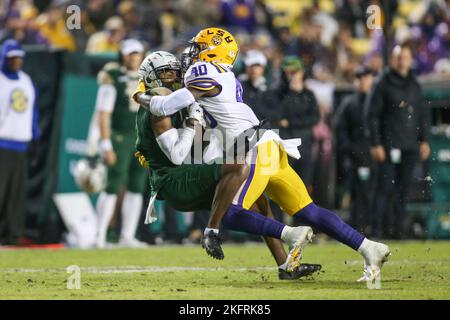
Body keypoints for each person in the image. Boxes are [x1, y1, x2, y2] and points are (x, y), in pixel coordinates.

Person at [134, 27, 391, 282]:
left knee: (232, 214)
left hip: (254, 145)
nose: (194, 53)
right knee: (308, 210)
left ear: (213, 52)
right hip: (267, 144)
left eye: (200, 47)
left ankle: (291, 234)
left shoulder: (204, 70)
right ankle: (368, 247)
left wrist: (140, 96)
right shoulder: (226, 75)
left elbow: (165, 105)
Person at [133, 51, 321, 280]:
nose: (173, 77)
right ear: (151, 76)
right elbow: (176, 154)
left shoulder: (167, 98)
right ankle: (214, 232)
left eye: (175, 72)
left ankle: (286, 266)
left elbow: (196, 149)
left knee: (257, 197)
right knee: (238, 168)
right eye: (166, 73)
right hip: (173, 180)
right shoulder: (158, 101)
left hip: (184, 171)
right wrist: (193, 123)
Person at [366, 43, 431, 239]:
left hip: (410, 144)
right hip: (388, 144)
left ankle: (397, 230)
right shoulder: (383, 82)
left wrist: (424, 140)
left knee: (403, 189)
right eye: (399, 57)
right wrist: (375, 143)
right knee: (385, 188)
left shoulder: (414, 83)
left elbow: (421, 114)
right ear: (393, 59)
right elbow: (372, 115)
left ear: (410, 59)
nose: (402, 61)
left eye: (405, 57)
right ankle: (377, 229)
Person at [94, 39, 147, 248]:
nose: (133, 57)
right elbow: (103, 114)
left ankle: (128, 235)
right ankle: (99, 234)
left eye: (137, 53)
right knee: (112, 186)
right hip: (120, 137)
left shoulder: (149, 79)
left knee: (136, 187)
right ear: (122, 55)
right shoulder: (113, 78)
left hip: (141, 139)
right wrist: (105, 143)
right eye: (129, 53)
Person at [0, 39, 39, 245]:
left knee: (16, 194)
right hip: (2, 144)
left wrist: (35, 133)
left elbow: (32, 110)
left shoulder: (25, 80)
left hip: (21, 144)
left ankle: (12, 234)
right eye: (12, 58)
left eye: (19, 58)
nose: (16, 61)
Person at [335, 66, 375, 234]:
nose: (363, 81)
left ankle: (376, 226)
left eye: (366, 77)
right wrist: (350, 150)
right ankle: (358, 228)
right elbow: (340, 129)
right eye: (359, 78)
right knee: (357, 195)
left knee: (376, 193)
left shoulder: (376, 101)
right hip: (355, 156)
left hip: (375, 156)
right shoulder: (349, 103)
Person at [277, 56, 320, 191]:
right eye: (288, 72)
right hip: (285, 143)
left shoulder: (309, 95)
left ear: (302, 73)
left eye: (295, 72)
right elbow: (277, 116)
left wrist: (290, 122)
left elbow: (315, 118)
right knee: (282, 183)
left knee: (303, 184)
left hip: (304, 143)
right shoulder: (280, 94)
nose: (292, 75)